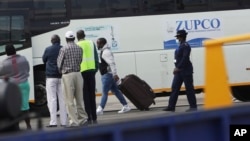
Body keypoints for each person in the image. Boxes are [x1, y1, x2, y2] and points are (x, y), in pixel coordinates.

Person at [57, 31, 87, 127]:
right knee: (79, 98)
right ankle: (83, 119)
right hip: (78, 74)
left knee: (69, 100)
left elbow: (59, 64)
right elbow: (80, 60)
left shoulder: (64, 49)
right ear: (74, 38)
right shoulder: (79, 48)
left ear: (66, 39)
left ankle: (74, 121)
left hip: (68, 75)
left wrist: (61, 70)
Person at [163, 29, 197, 112]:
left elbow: (185, 58)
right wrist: (177, 67)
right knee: (174, 88)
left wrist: (178, 67)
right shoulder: (180, 45)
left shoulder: (186, 46)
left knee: (189, 89)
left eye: (178, 36)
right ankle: (171, 106)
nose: (177, 38)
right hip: (179, 71)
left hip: (186, 71)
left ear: (182, 37)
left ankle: (193, 107)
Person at [96, 37, 131, 115]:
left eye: (98, 43)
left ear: (102, 44)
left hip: (107, 75)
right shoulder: (104, 51)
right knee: (116, 91)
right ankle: (125, 105)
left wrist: (114, 74)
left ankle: (100, 108)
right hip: (108, 75)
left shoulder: (105, 52)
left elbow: (112, 63)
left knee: (105, 92)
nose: (97, 45)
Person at [0, 43, 31, 129]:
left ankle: (16, 126)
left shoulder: (4, 63)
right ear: (15, 50)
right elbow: (27, 69)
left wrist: (6, 76)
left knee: (13, 107)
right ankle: (28, 125)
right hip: (24, 84)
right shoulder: (23, 59)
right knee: (25, 107)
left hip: (13, 87)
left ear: (6, 52)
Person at [42, 34, 67, 127]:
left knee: (52, 99)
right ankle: (64, 122)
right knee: (62, 99)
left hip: (51, 77)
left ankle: (53, 122)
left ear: (52, 41)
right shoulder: (63, 48)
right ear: (59, 41)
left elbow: (44, 60)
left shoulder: (48, 49)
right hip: (61, 76)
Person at [76, 30, 99, 125]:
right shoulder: (91, 43)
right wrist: (95, 69)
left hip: (82, 72)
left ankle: (88, 117)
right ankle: (94, 117)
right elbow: (96, 57)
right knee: (92, 95)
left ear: (77, 36)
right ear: (84, 35)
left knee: (85, 96)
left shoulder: (77, 45)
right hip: (91, 72)